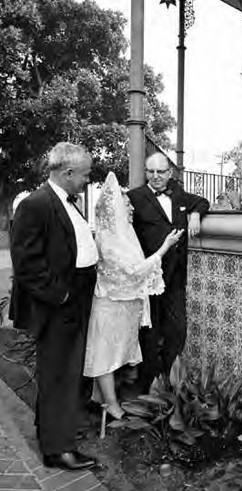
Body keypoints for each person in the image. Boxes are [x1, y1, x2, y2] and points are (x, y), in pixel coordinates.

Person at [9, 142, 98, 471]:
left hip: (75, 299)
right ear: (68, 173)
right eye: (85, 175)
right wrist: (61, 296)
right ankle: (58, 450)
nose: (88, 181)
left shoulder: (66, 202)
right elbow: (27, 263)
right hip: (60, 304)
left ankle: (53, 432)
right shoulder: (37, 204)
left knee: (65, 373)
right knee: (60, 375)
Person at [83, 172, 183, 420]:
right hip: (109, 306)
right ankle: (112, 406)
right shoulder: (109, 239)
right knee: (104, 356)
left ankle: (98, 399)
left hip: (123, 306)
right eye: (126, 204)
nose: (131, 208)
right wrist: (165, 246)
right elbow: (134, 270)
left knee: (112, 354)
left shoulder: (124, 233)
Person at [128, 153, 210, 394]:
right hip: (149, 280)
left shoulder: (178, 194)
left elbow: (202, 201)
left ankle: (166, 381)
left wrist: (194, 214)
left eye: (161, 172)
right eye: (151, 171)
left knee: (177, 331)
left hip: (174, 279)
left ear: (170, 173)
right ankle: (147, 389)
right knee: (150, 335)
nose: (155, 177)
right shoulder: (134, 198)